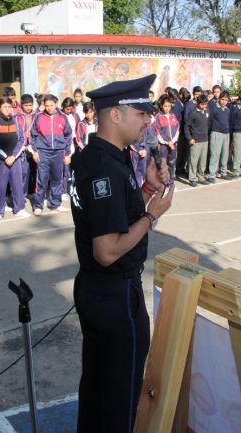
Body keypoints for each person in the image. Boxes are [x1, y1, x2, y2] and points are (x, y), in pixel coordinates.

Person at [70, 73, 173, 433]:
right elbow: (108, 250)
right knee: (120, 395)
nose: (148, 120)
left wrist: (146, 188)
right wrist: (152, 215)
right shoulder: (105, 168)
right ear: (115, 114)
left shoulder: (99, 158)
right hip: (114, 293)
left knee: (98, 387)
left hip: (99, 291)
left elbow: (114, 219)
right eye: (141, 113)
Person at [30, 94, 72, 216]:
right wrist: (35, 151)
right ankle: (38, 205)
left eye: (51, 105)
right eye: (47, 106)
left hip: (59, 152)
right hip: (43, 152)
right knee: (42, 179)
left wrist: (68, 154)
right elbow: (32, 135)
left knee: (57, 179)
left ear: (56, 104)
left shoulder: (63, 117)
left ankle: (55, 204)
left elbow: (68, 135)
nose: (49, 108)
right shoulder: (38, 117)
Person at [0, 97, 29, 219]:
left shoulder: (17, 120)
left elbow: (22, 139)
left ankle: (19, 209)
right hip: (1, 160)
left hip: (15, 159)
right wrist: (5, 157)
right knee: (1, 186)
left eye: (9, 107)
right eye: (4, 107)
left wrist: (13, 156)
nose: (7, 110)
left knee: (17, 184)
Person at [184, 93, 210, 187]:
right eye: (202, 104)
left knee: (203, 160)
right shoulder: (193, 113)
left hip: (205, 139)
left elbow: (208, 124)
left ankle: (201, 176)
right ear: (198, 103)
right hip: (195, 140)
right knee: (194, 160)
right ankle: (192, 178)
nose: (204, 106)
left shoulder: (207, 111)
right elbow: (186, 127)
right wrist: (189, 138)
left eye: (205, 104)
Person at [153, 95, 179, 182]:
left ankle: (171, 181)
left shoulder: (173, 116)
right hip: (163, 145)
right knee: (163, 164)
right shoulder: (158, 117)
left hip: (173, 144)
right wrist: (167, 142)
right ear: (161, 106)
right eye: (165, 106)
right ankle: (163, 182)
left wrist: (173, 141)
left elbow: (177, 130)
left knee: (171, 162)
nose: (167, 108)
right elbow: (158, 132)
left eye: (169, 106)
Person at [208, 90, 232, 181]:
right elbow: (209, 121)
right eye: (222, 99)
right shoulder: (214, 108)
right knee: (215, 154)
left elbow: (229, 121)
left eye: (226, 100)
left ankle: (223, 172)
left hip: (226, 134)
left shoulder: (227, 110)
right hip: (216, 133)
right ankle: (212, 174)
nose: (224, 102)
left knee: (225, 154)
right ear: (219, 99)